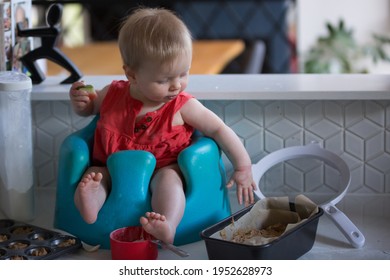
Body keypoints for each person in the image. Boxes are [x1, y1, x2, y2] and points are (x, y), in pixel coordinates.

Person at [69, 7, 256, 245]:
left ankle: (167, 224)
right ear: (132, 75)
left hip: (163, 167)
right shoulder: (112, 94)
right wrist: (81, 102)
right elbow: (89, 111)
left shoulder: (182, 106)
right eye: (163, 80)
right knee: (95, 177)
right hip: (111, 167)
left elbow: (218, 129)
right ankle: (91, 204)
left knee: (169, 182)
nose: (176, 85)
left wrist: (243, 166)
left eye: (183, 74)